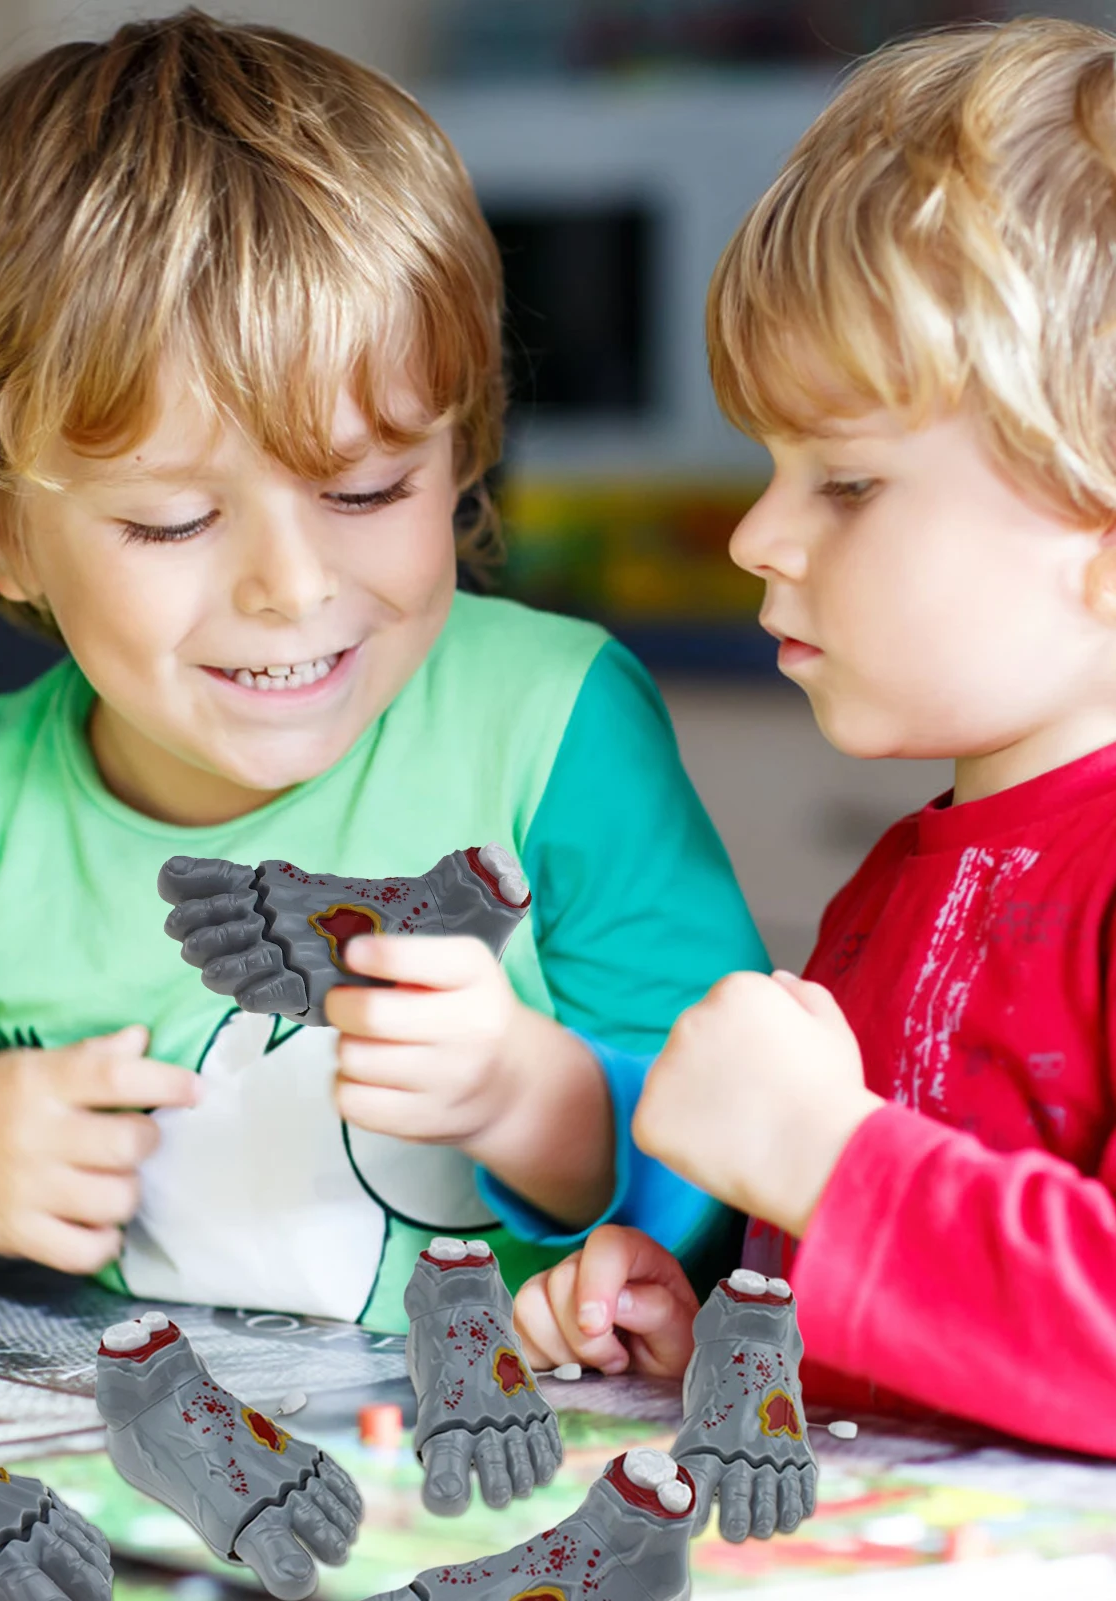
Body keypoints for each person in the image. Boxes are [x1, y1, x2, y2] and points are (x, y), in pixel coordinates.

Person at [0, 10, 764, 1327]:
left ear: (463, 452)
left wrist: (534, 1104)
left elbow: (747, 1144)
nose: (292, 586)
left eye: (368, 489)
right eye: (172, 520)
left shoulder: (555, 729)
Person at [514, 17, 1116, 1457]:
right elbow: (925, 1348)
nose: (755, 534)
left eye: (844, 484)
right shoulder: (900, 882)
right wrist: (716, 1328)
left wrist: (821, 1158)